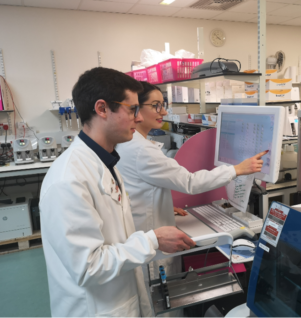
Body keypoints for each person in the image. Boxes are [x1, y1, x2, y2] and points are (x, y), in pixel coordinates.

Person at [39, 68, 195, 317]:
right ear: (102, 109)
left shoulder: (106, 162)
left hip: (121, 298)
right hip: (95, 308)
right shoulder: (68, 180)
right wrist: (152, 240)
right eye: (132, 109)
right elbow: (88, 266)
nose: (139, 118)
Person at [116, 82, 267, 308]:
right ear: (136, 109)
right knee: (159, 303)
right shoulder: (140, 150)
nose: (164, 112)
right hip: (151, 242)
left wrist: (162, 206)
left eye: (163, 105)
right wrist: (237, 169)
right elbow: (189, 182)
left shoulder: (132, 144)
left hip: (144, 229)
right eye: (156, 106)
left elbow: (141, 189)